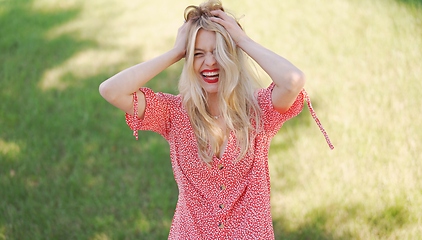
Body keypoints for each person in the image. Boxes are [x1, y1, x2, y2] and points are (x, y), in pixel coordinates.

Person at [99, 0, 333, 239]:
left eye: (219, 52)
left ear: (232, 56)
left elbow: (293, 80)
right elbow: (111, 90)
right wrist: (175, 52)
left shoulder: (258, 110)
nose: (210, 62)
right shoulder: (173, 113)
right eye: (198, 54)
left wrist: (242, 40)